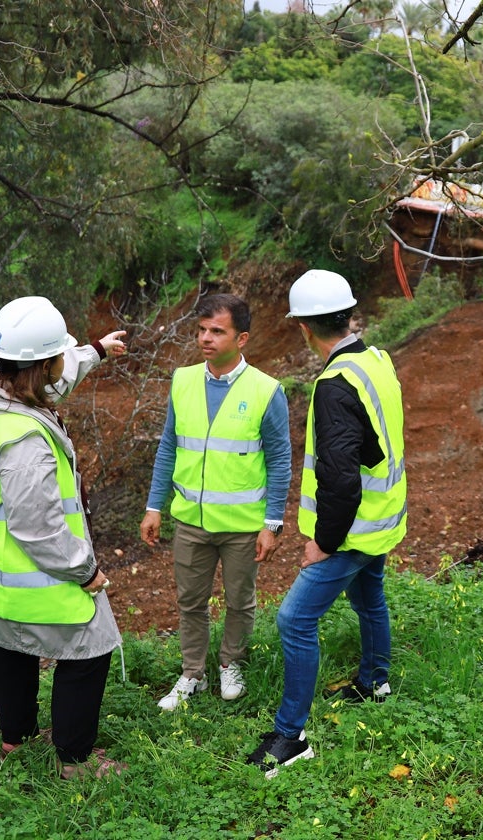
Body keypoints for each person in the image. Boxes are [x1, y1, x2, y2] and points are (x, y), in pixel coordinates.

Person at [0, 295, 128, 780]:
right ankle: (74, 762)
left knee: (11, 645)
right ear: (42, 363)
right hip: (33, 575)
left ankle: (15, 741)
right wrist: (85, 572)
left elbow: (54, 376)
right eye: (58, 356)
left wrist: (96, 351)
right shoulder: (23, 441)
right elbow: (39, 527)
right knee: (92, 648)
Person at [247, 269, 408, 778]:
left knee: (294, 620)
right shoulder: (375, 360)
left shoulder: (335, 385)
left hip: (352, 531)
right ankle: (375, 682)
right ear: (348, 315)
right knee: (369, 597)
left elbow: (340, 480)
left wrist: (323, 542)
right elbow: (373, 448)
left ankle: (291, 737)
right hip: (383, 520)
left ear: (303, 327)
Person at [140, 294, 291, 711]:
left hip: (244, 524)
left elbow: (281, 460)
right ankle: (192, 673)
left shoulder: (266, 390)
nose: (206, 338)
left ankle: (231, 664)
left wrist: (272, 523)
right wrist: (155, 505)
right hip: (190, 521)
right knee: (190, 602)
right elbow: (168, 446)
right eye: (201, 330)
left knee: (240, 600)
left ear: (241, 338)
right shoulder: (183, 380)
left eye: (217, 331)